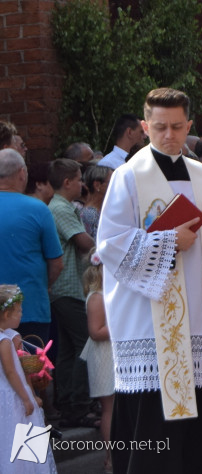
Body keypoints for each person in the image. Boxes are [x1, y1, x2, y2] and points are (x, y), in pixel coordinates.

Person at [95, 87, 202, 473]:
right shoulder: (128, 177)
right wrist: (166, 240)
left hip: (201, 318)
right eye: (160, 127)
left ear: (189, 125)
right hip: (150, 322)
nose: (169, 135)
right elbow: (109, 245)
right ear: (145, 127)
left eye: (177, 127)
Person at [47, 158, 96, 428]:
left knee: (67, 350)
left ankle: (67, 402)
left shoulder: (60, 206)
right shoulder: (61, 208)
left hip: (67, 289)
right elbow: (84, 242)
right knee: (86, 343)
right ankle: (79, 404)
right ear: (67, 183)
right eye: (79, 179)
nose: (82, 184)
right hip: (68, 289)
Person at [0, 150, 63, 343]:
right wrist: (44, 285)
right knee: (34, 369)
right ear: (21, 173)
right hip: (30, 306)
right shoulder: (38, 209)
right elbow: (57, 263)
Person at [1, 284, 58, 473]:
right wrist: (27, 397)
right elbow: (11, 372)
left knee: (8, 439)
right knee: (20, 436)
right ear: (7, 314)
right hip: (12, 395)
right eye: (18, 311)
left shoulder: (10, 337)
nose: (21, 314)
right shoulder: (5, 341)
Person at [80, 257, 115, 472]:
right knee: (109, 407)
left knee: (120, 406)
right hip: (104, 356)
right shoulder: (97, 298)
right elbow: (96, 332)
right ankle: (111, 456)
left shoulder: (108, 295)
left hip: (113, 354)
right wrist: (123, 328)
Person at [80, 164, 113, 238]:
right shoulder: (90, 214)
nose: (116, 185)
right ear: (97, 185)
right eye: (112, 182)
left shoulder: (100, 211)